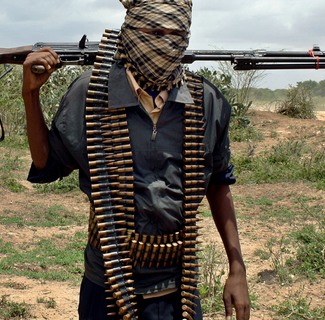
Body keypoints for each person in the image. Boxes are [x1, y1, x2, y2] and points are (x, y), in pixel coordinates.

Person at [21, 0, 250, 319]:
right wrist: (30, 95)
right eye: (156, 31)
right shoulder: (91, 92)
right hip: (108, 286)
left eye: (177, 33)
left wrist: (236, 269)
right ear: (131, 32)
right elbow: (47, 164)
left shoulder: (204, 100)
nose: (167, 43)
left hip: (178, 288)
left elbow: (218, 184)